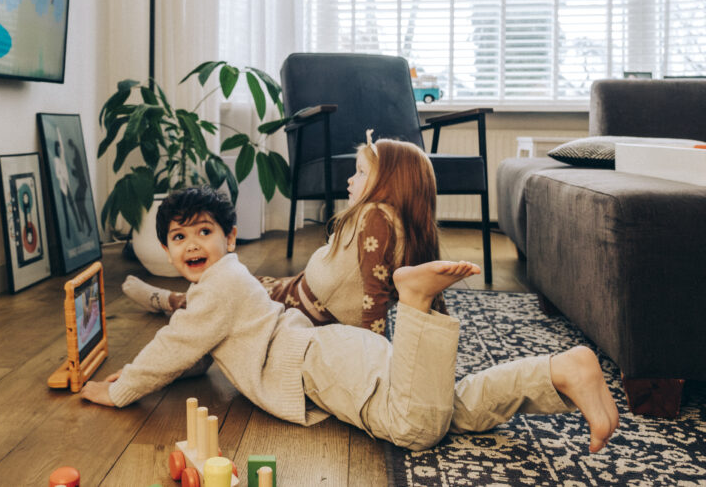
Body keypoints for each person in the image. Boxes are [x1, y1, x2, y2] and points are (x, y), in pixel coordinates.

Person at [82, 186, 619, 453]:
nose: (191, 244)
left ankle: (413, 303)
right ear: (167, 250)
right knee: (448, 408)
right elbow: (196, 353)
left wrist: (119, 389)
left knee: (413, 428)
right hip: (335, 354)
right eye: (178, 237)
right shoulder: (226, 287)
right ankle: (559, 372)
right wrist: (173, 374)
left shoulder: (217, 286)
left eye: (203, 231)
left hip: (316, 365)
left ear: (230, 239)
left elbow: (174, 345)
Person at [123, 132, 446, 333]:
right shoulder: (399, 223)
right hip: (298, 290)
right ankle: (167, 299)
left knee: (225, 296)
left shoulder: (376, 216)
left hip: (298, 305)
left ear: (391, 181)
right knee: (248, 282)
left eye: (360, 172)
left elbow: (374, 294)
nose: (350, 180)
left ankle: (167, 300)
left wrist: (375, 350)